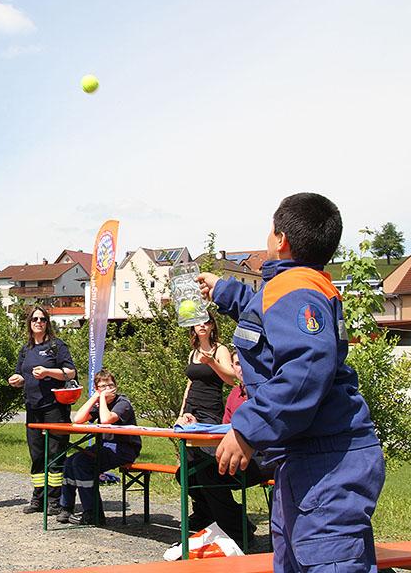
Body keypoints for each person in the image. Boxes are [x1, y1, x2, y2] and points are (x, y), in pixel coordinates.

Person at [199, 192, 386, 572]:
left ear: (281, 239)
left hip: (326, 460)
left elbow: (307, 368)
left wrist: (248, 429)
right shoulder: (294, 287)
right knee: (294, 559)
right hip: (306, 456)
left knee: (328, 562)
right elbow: (267, 318)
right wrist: (224, 290)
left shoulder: (297, 291)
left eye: (270, 230)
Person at [173, 317, 260, 545]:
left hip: (210, 411)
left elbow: (232, 378)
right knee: (188, 469)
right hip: (191, 412)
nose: (202, 326)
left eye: (206, 322)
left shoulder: (220, 350)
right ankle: (205, 514)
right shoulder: (193, 352)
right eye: (198, 323)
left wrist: (212, 362)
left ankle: (230, 523)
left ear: (212, 326)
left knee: (204, 467)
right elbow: (190, 384)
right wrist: (181, 412)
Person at [7, 305, 77, 514]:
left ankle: (54, 500)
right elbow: (21, 375)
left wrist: (48, 372)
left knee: (55, 453)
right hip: (33, 407)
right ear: (29, 323)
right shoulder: (25, 349)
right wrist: (17, 380)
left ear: (47, 323)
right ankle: (38, 497)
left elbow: (71, 373)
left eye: (42, 319)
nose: (38, 322)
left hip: (55, 407)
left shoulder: (56, 346)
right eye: (35, 319)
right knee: (36, 454)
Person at [56, 369, 140, 526]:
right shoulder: (100, 401)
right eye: (103, 386)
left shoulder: (123, 403)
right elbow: (78, 419)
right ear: (96, 388)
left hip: (123, 449)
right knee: (70, 462)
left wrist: (101, 397)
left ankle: (93, 513)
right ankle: (66, 507)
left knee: (82, 463)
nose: (108, 389)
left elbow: (107, 419)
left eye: (111, 385)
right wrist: (95, 397)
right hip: (103, 446)